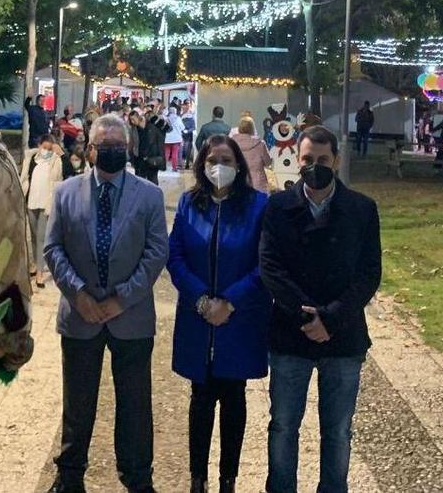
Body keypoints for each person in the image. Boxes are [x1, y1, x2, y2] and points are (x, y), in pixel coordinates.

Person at [45, 114, 168, 493]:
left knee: (134, 403)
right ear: (90, 148)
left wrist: (122, 298)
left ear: (128, 147)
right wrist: (78, 293)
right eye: (104, 145)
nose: (110, 151)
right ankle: (69, 475)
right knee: (77, 402)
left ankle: (137, 476)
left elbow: (156, 251)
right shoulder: (65, 192)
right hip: (80, 313)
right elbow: (53, 248)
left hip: (129, 316)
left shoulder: (149, 195)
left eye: (118, 145)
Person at [258, 126, 381, 493]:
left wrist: (329, 317)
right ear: (297, 160)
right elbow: (270, 266)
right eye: (308, 160)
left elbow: (369, 272)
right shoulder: (278, 207)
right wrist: (305, 315)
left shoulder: (361, 208)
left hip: (342, 334)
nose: (315, 166)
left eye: (323, 160)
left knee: (339, 430)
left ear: (336, 161)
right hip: (291, 332)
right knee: (282, 425)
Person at [168, 135, 270, 493]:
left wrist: (229, 301)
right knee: (200, 398)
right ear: (202, 163)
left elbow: (264, 263)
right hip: (198, 318)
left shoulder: (259, 206)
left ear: (239, 165)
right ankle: (198, 477)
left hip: (238, 317)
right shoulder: (188, 204)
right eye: (213, 159)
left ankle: (229, 478)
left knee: (233, 398)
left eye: (226, 159)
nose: (219, 166)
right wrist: (200, 300)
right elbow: (175, 256)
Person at [22, 135, 64, 289]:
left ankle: (40, 272)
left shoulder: (56, 161)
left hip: (46, 204)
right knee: (32, 236)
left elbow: (59, 180)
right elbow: (25, 177)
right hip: (31, 202)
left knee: (41, 238)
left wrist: (60, 153)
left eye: (49, 148)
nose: (46, 151)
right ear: (39, 145)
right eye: (44, 147)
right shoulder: (31, 159)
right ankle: (34, 265)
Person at [231, 117, 273, 193]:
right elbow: (268, 163)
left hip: (239, 183)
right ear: (252, 128)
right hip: (258, 184)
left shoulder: (232, 144)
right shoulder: (260, 144)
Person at [135, 111, 167, 185]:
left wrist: (145, 156)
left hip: (150, 157)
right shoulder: (158, 127)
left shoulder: (150, 128)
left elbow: (149, 143)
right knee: (153, 178)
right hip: (155, 156)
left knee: (149, 178)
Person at [165, 106, 185, 172]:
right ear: (175, 112)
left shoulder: (166, 118)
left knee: (166, 153)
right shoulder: (178, 118)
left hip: (167, 139)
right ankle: (174, 168)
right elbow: (182, 128)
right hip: (176, 139)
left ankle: (164, 166)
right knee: (175, 154)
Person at [181, 101, 198, 169]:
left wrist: (186, 131)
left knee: (186, 150)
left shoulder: (189, 117)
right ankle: (184, 163)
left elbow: (193, 127)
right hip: (185, 136)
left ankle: (186, 163)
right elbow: (193, 127)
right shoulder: (183, 116)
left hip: (187, 137)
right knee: (185, 150)